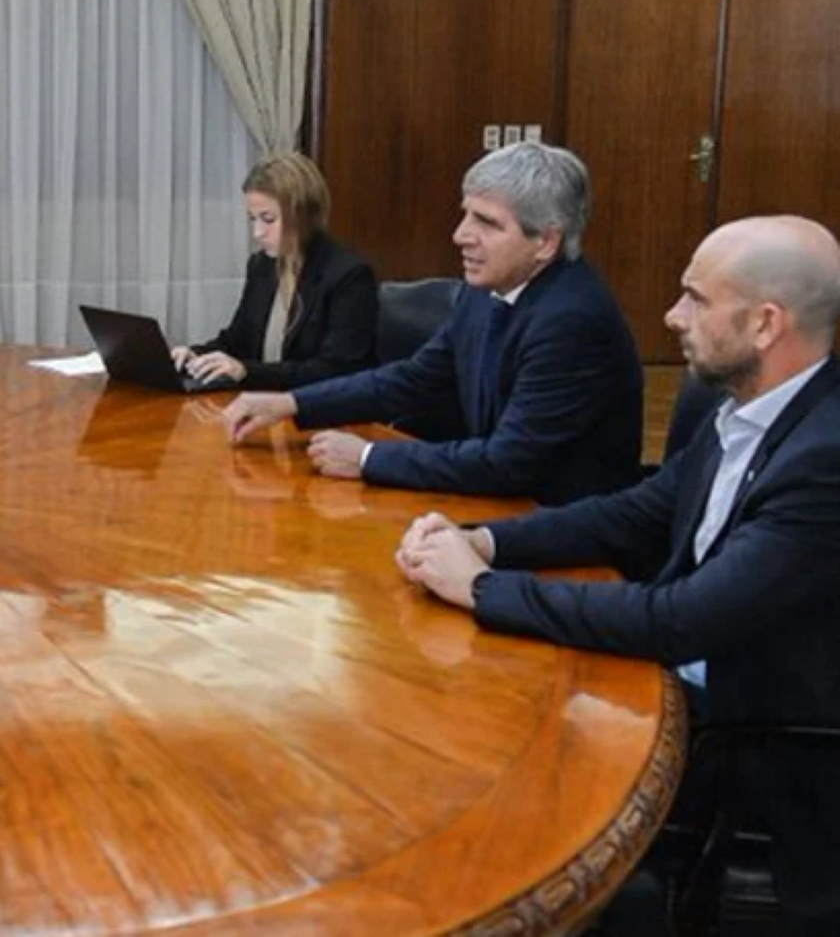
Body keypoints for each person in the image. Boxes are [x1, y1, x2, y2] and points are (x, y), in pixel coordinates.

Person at [398, 215, 840, 934]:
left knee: (487, 803)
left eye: (694, 298)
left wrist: (480, 589)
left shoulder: (824, 457)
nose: (671, 316)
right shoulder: (738, 407)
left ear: (765, 325)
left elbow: (681, 619)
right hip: (685, 686)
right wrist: (482, 541)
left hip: (758, 745)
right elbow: (633, 515)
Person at [222, 142, 641, 506]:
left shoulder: (571, 321)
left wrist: (369, 458)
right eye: (466, 215)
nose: (461, 235)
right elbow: (413, 378)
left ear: (546, 242)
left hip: (558, 528)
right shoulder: (486, 289)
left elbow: (508, 463)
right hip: (498, 504)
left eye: (487, 223)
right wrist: (290, 403)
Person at [169, 151, 378, 390]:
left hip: (315, 412)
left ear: (304, 215)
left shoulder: (349, 276)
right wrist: (194, 355)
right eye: (252, 218)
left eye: (268, 219)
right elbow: (237, 340)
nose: (257, 233)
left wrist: (247, 371)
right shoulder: (261, 265)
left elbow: (335, 370)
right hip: (264, 405)